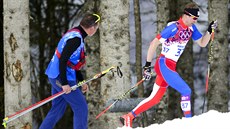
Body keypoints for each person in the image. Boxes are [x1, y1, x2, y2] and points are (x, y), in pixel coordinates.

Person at [120, 2, 217, 127]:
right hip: (163, 64)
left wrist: (209, 30)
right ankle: (190, 123)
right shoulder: (173, 27)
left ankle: (128, 116)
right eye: (194, 18)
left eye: (197, 19)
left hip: (170, 66)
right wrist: (147, 66)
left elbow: (203, 43)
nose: (195, 21)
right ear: (186, 15)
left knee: (155, 98)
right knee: (186, 90)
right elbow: (153, 44)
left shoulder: (192, 28)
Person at [39, 13, 100, 129]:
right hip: (60, 77)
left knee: (58, 108)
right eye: (97, 28)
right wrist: (65, 83)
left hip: (57, 75)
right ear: (91, 28)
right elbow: (63, 60)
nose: (96, 30)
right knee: (81, 107)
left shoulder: (75, 32)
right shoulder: (76, 40)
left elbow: (72, 62)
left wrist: (81, 81)